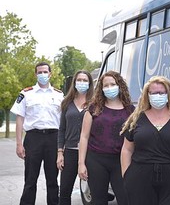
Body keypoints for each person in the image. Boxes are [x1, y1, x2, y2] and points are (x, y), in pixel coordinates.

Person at [120, 75, 170, 205]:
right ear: (147, 95)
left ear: (168, 95)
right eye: (154, 93)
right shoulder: (136, 119)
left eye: (161, 93)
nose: (158, 96)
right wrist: (126, 175)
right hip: (140, 178)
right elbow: (127, 149)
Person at [10, 62, 64, 205]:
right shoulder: (26, 93)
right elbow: (19, 119)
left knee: (53, 180)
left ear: (50, 74)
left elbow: (63, 121)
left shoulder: (59, 95)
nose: (42, 75)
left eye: (45, 72)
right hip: (33, 138)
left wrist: (62, 146)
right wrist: (18, 144)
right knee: (30, 179)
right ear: (35, 74)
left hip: (53, 138)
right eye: (39, 72)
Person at [78, 70, 134, 205]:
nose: (109, 88)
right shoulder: (94, 109)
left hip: (121, 161)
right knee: (98, 200)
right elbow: (84, 137)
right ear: (101, 89)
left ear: (120, 86)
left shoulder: (131, 110)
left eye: (112, 84)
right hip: (96, 160)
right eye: (105, 85)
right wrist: (81, 163)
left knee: (126, 198)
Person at [57, 70, 94, 204]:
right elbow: (62, 129)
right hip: (70, 152)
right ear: (74, 82)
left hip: (91, 152)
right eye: (79, 80)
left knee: (94, 192)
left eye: (85, 80)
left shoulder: (95, 103)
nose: (82, 83)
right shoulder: (67, 103)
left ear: (90, 83)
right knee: (65, 192)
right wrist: (60, 152)